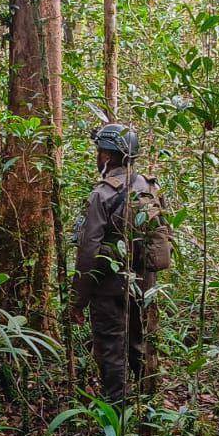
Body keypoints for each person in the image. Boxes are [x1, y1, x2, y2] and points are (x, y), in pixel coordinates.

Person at [70, 123, 170, 406]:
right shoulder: (149, 187)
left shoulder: (102, 194)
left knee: (111, 347)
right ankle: (150, 408)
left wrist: (77, 300)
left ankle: (116, 411)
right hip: (144, 286)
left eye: (100, 151)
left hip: (109, 287)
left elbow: (88, 251)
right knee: (143, 343)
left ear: (108, 156)